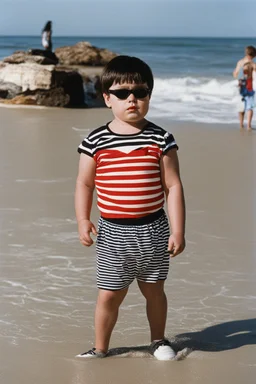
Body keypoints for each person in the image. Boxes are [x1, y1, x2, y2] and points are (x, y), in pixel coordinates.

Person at [75, 55, 186, 361]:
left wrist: (178, 230)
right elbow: (85, 184)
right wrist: (83, 219)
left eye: (141, 92)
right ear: (108, 98)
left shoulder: (161, 138)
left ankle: (158, 340)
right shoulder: (95, 140)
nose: (132, 99)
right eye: (123, 93)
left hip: (154, 229)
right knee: (109, 295)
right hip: (113, 233)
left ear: (150, 95)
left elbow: (173, 186)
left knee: (154, 290)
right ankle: (100, 348)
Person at [233, 45, 256, 130]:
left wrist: (236, 74)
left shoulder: (240, 62)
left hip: (240, 87)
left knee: (241, 107)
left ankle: (241, 124)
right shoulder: (253, 64)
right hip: (249, 87)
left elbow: (235, 74)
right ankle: (249, 126)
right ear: (253, 56)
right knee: (249, 107)